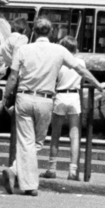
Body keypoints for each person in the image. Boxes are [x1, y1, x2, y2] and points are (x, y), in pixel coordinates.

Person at [1, 17, 101, 195]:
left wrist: (5, 97)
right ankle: (28, 183)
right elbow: (81, 70)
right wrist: (99, 85)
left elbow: (13, 77)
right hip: (46, 100)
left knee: (26, 142)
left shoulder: (23, 50)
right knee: (37, 142)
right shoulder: (59, 50)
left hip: (24, 98)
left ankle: (18, 173)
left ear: (33, 31)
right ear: (52, 31)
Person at [45, 35, 85, 181]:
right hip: (74, 97)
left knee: (55, 134)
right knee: (74, 135)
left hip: (60, 97)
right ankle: (73, 171)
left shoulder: (59, 63)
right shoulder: (81, 62)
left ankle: (52, 168)